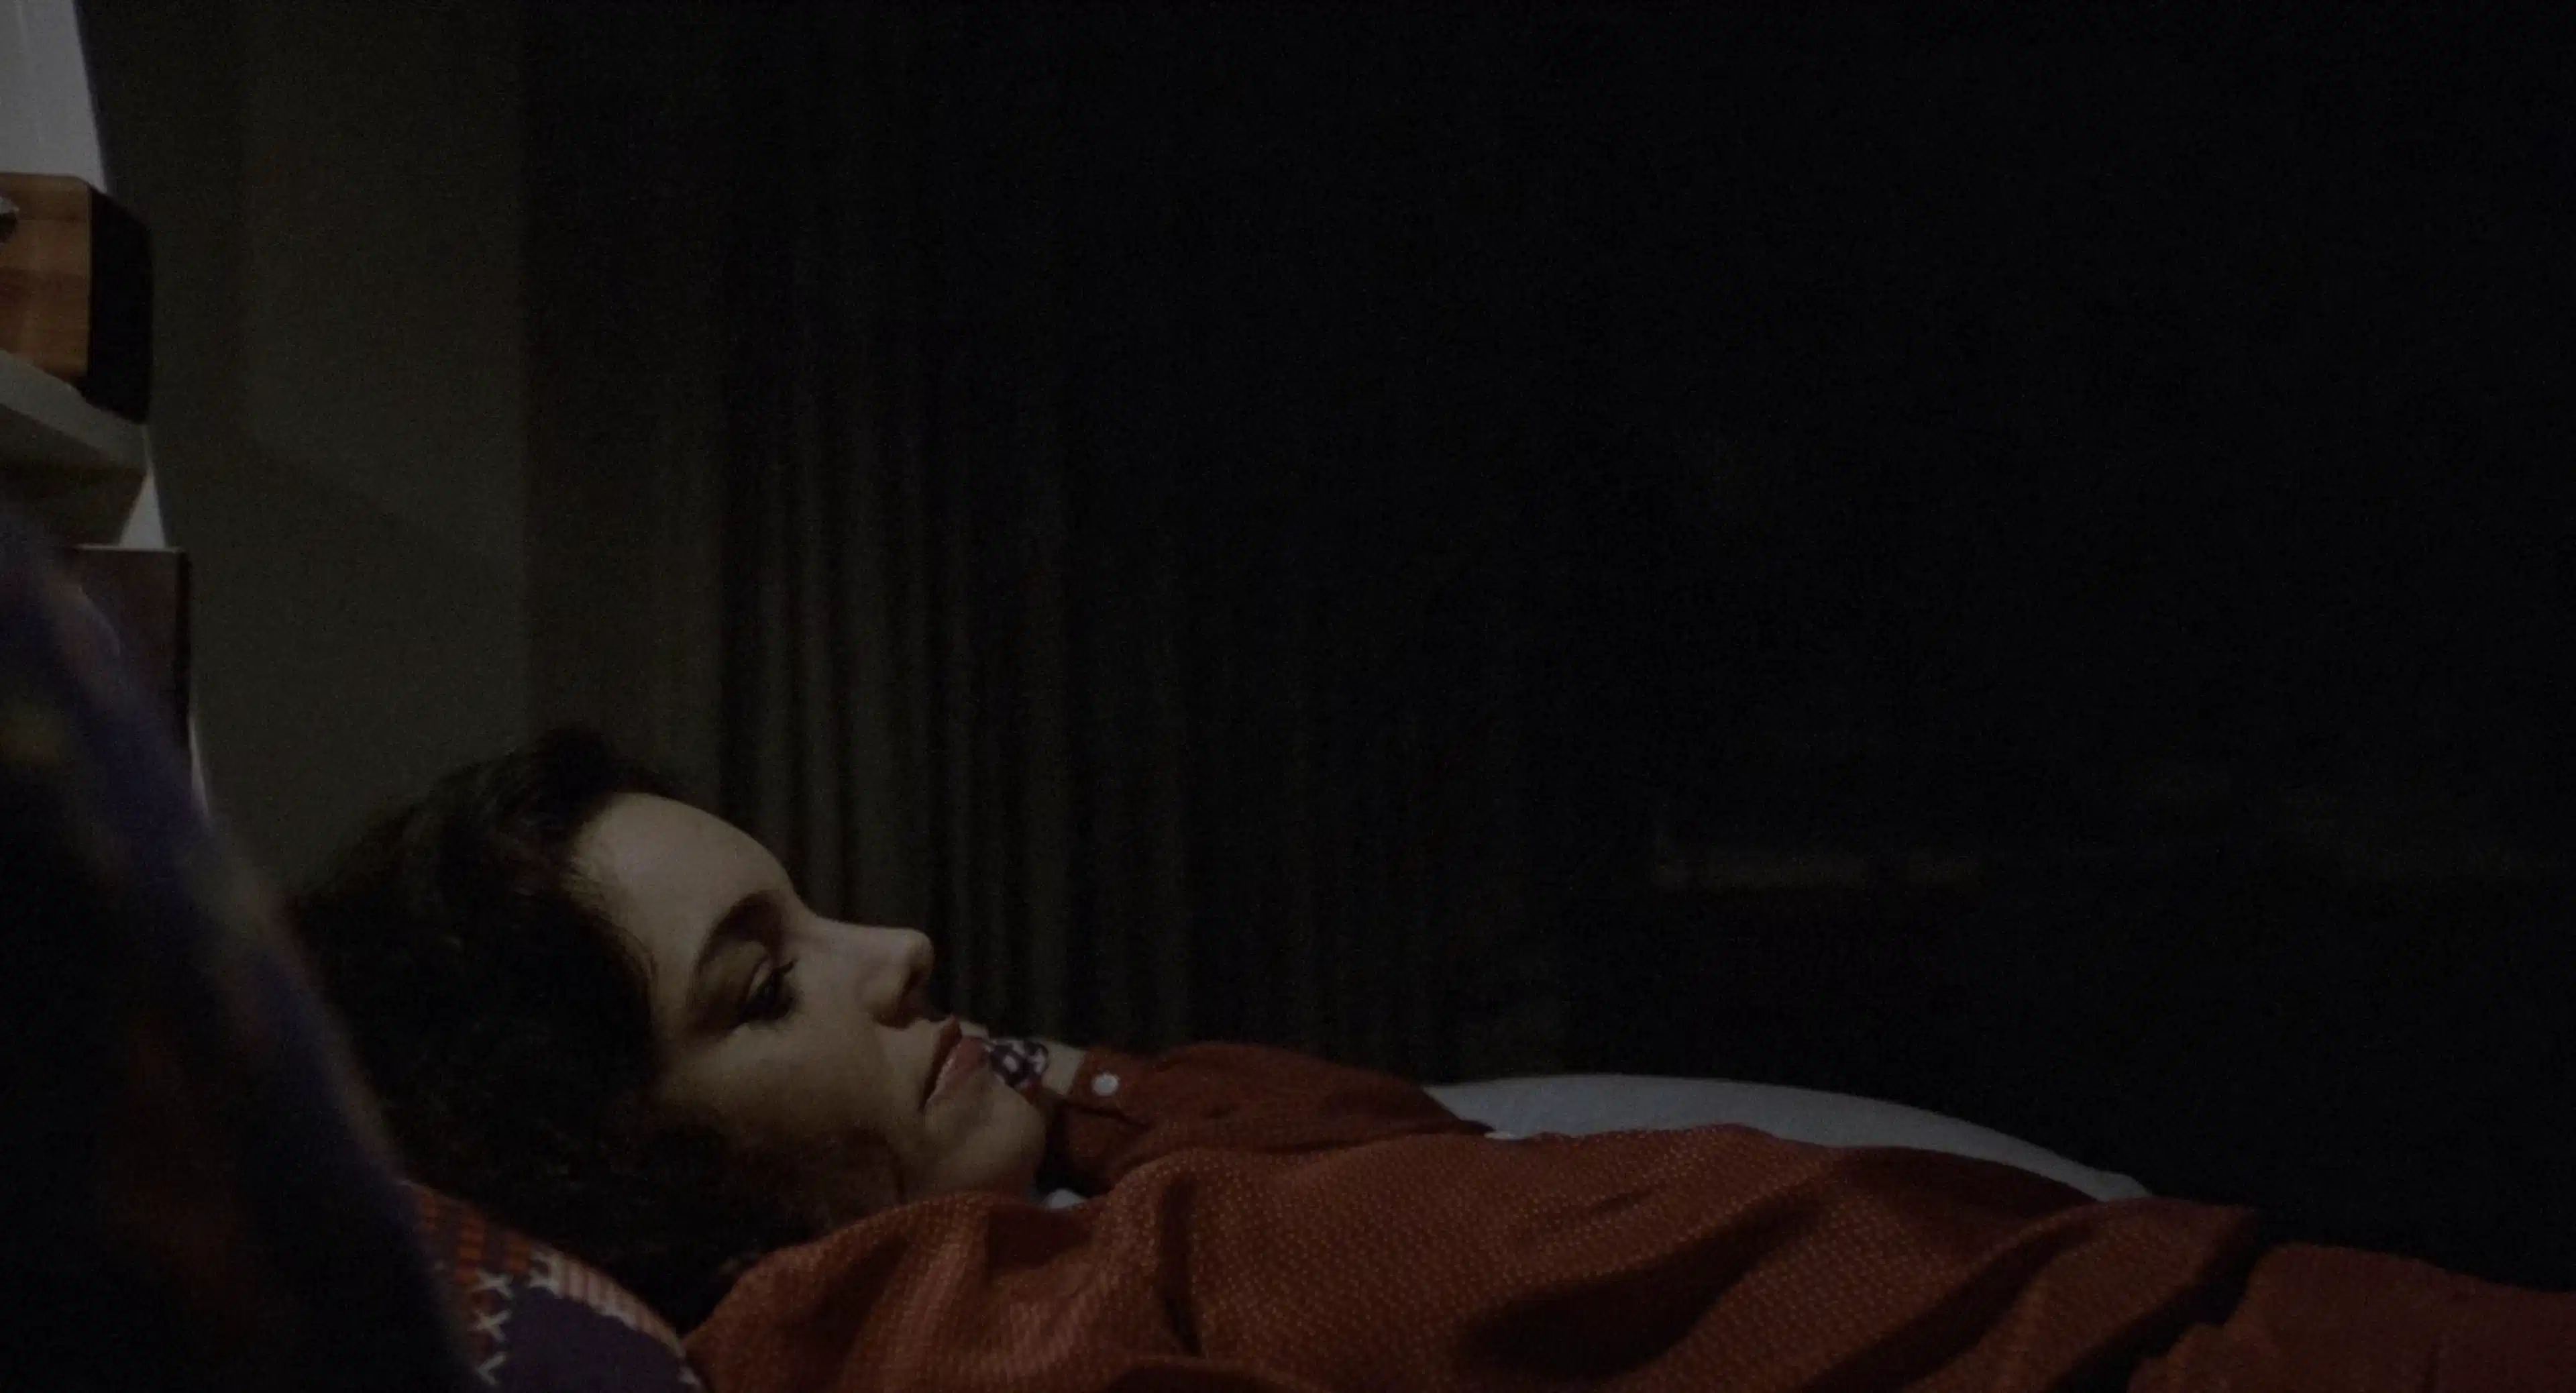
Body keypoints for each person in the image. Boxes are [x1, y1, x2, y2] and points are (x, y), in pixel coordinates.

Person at [293, 729, 2576, 1392]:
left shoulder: (1064, 1184)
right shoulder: (961, 1325)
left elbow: (1351, 1131)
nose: (902, 952)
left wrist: (1056, 1086)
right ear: (615, 1159)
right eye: (764, 983)